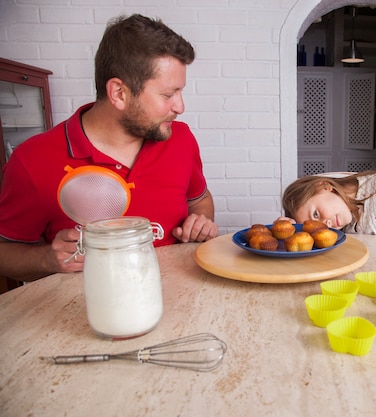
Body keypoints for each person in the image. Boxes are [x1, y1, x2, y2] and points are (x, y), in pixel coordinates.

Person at [0, 14, 218, 282]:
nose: (180, 107)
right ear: (119, 93)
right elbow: (5, 253)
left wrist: (200, 221)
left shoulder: (180, 138)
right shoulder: (32, 160)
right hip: (89, 312)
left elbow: (200, 201)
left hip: (179, 300)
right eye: (167, 95)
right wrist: (47, 258)